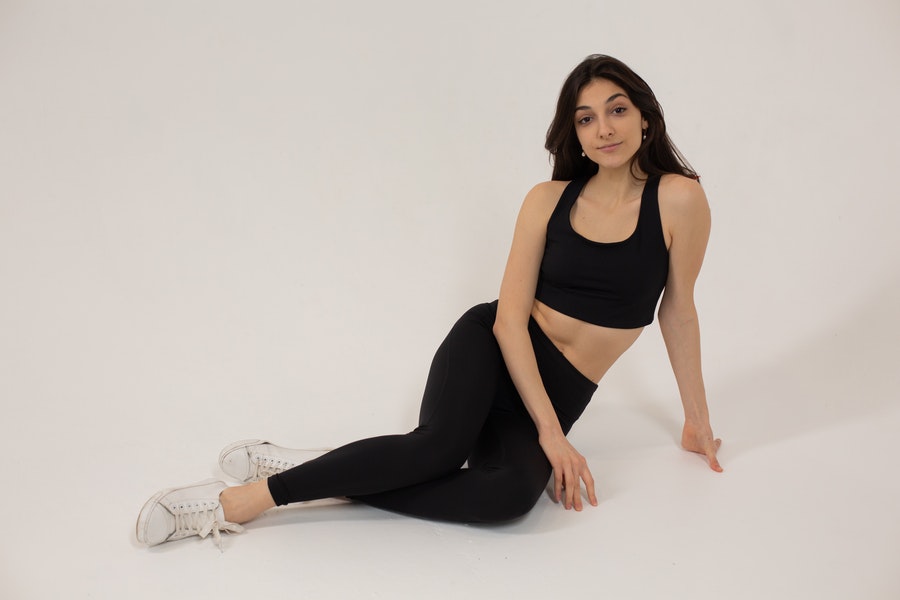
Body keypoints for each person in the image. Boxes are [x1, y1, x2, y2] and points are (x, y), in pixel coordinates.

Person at [136, 54, 722, 548]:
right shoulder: (547, 200)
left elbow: (678, 309)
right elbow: (511, 320)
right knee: (438, 449)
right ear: (575, 133)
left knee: (509, 498)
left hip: (557, 393)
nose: (605, 129)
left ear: (645, 116)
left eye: (617, 109)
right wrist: (551, 433)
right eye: (587, 118)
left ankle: (329, 469)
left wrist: (696, 421)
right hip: (493, 351)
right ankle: (240, 502)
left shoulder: (679, 200)